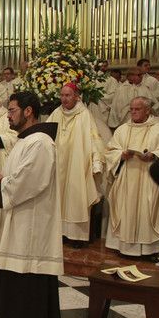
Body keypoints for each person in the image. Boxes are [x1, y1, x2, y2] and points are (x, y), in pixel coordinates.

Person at [0, 92, 62, 318]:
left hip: (31, 220)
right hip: (19, 215)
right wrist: (2, 181)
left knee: (26, 269)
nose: (8, 115)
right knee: (13, 269)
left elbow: (31, 179)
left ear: (28, 111)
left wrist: (3, 182)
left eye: (12, 110)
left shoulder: (40, 142)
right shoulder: (26, 140)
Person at [105, 97, 159, 256]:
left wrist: (155, 155)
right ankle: (124, 248)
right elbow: (110, 152)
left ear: (147, 110)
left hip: (150, 179)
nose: (133, 112)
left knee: (148, 211)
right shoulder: (122, 129)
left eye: (137, 109)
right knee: (125, 210)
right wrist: (121, 155)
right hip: (127, 178)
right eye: (131, 109)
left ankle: (150, 250)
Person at [47, 83, 105, 242]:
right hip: (57, 165)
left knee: (76, 198)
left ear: (76, 96)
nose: (64, 99)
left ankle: (76, 237)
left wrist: (97, 163)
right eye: (62, 95)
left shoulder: (84, 115)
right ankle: (59, 235)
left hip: (77, 165)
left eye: (68, 95)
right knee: (57, 199)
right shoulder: (56, 113)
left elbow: (94, 139)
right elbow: (46, 136)